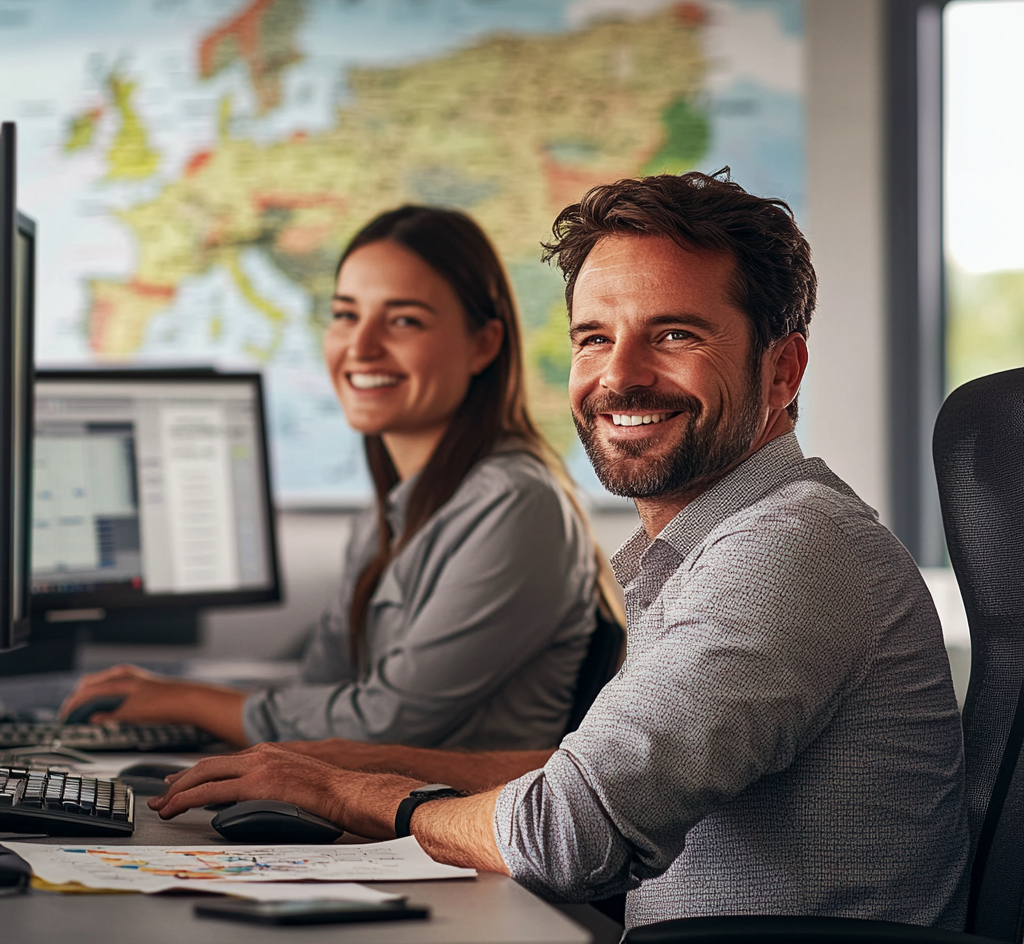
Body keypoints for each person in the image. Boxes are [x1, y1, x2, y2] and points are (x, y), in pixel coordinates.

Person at [148, 173, 970, 933]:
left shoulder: (787, 553)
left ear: (782, 369)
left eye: (674, 334)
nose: (620, 377)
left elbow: (571, 834)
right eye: (593, 338)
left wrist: (348, 791)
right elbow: (587, 773)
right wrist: (345, 760)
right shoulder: (704, 545)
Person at [61, 205, 604, 752]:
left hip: (438, 828)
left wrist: (186, 700)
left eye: (403, 321)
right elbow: (320, 690)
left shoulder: (516, 503)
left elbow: (382, 722)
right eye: (345, 315)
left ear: (483, 344)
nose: (360, 347)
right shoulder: (390, 512)